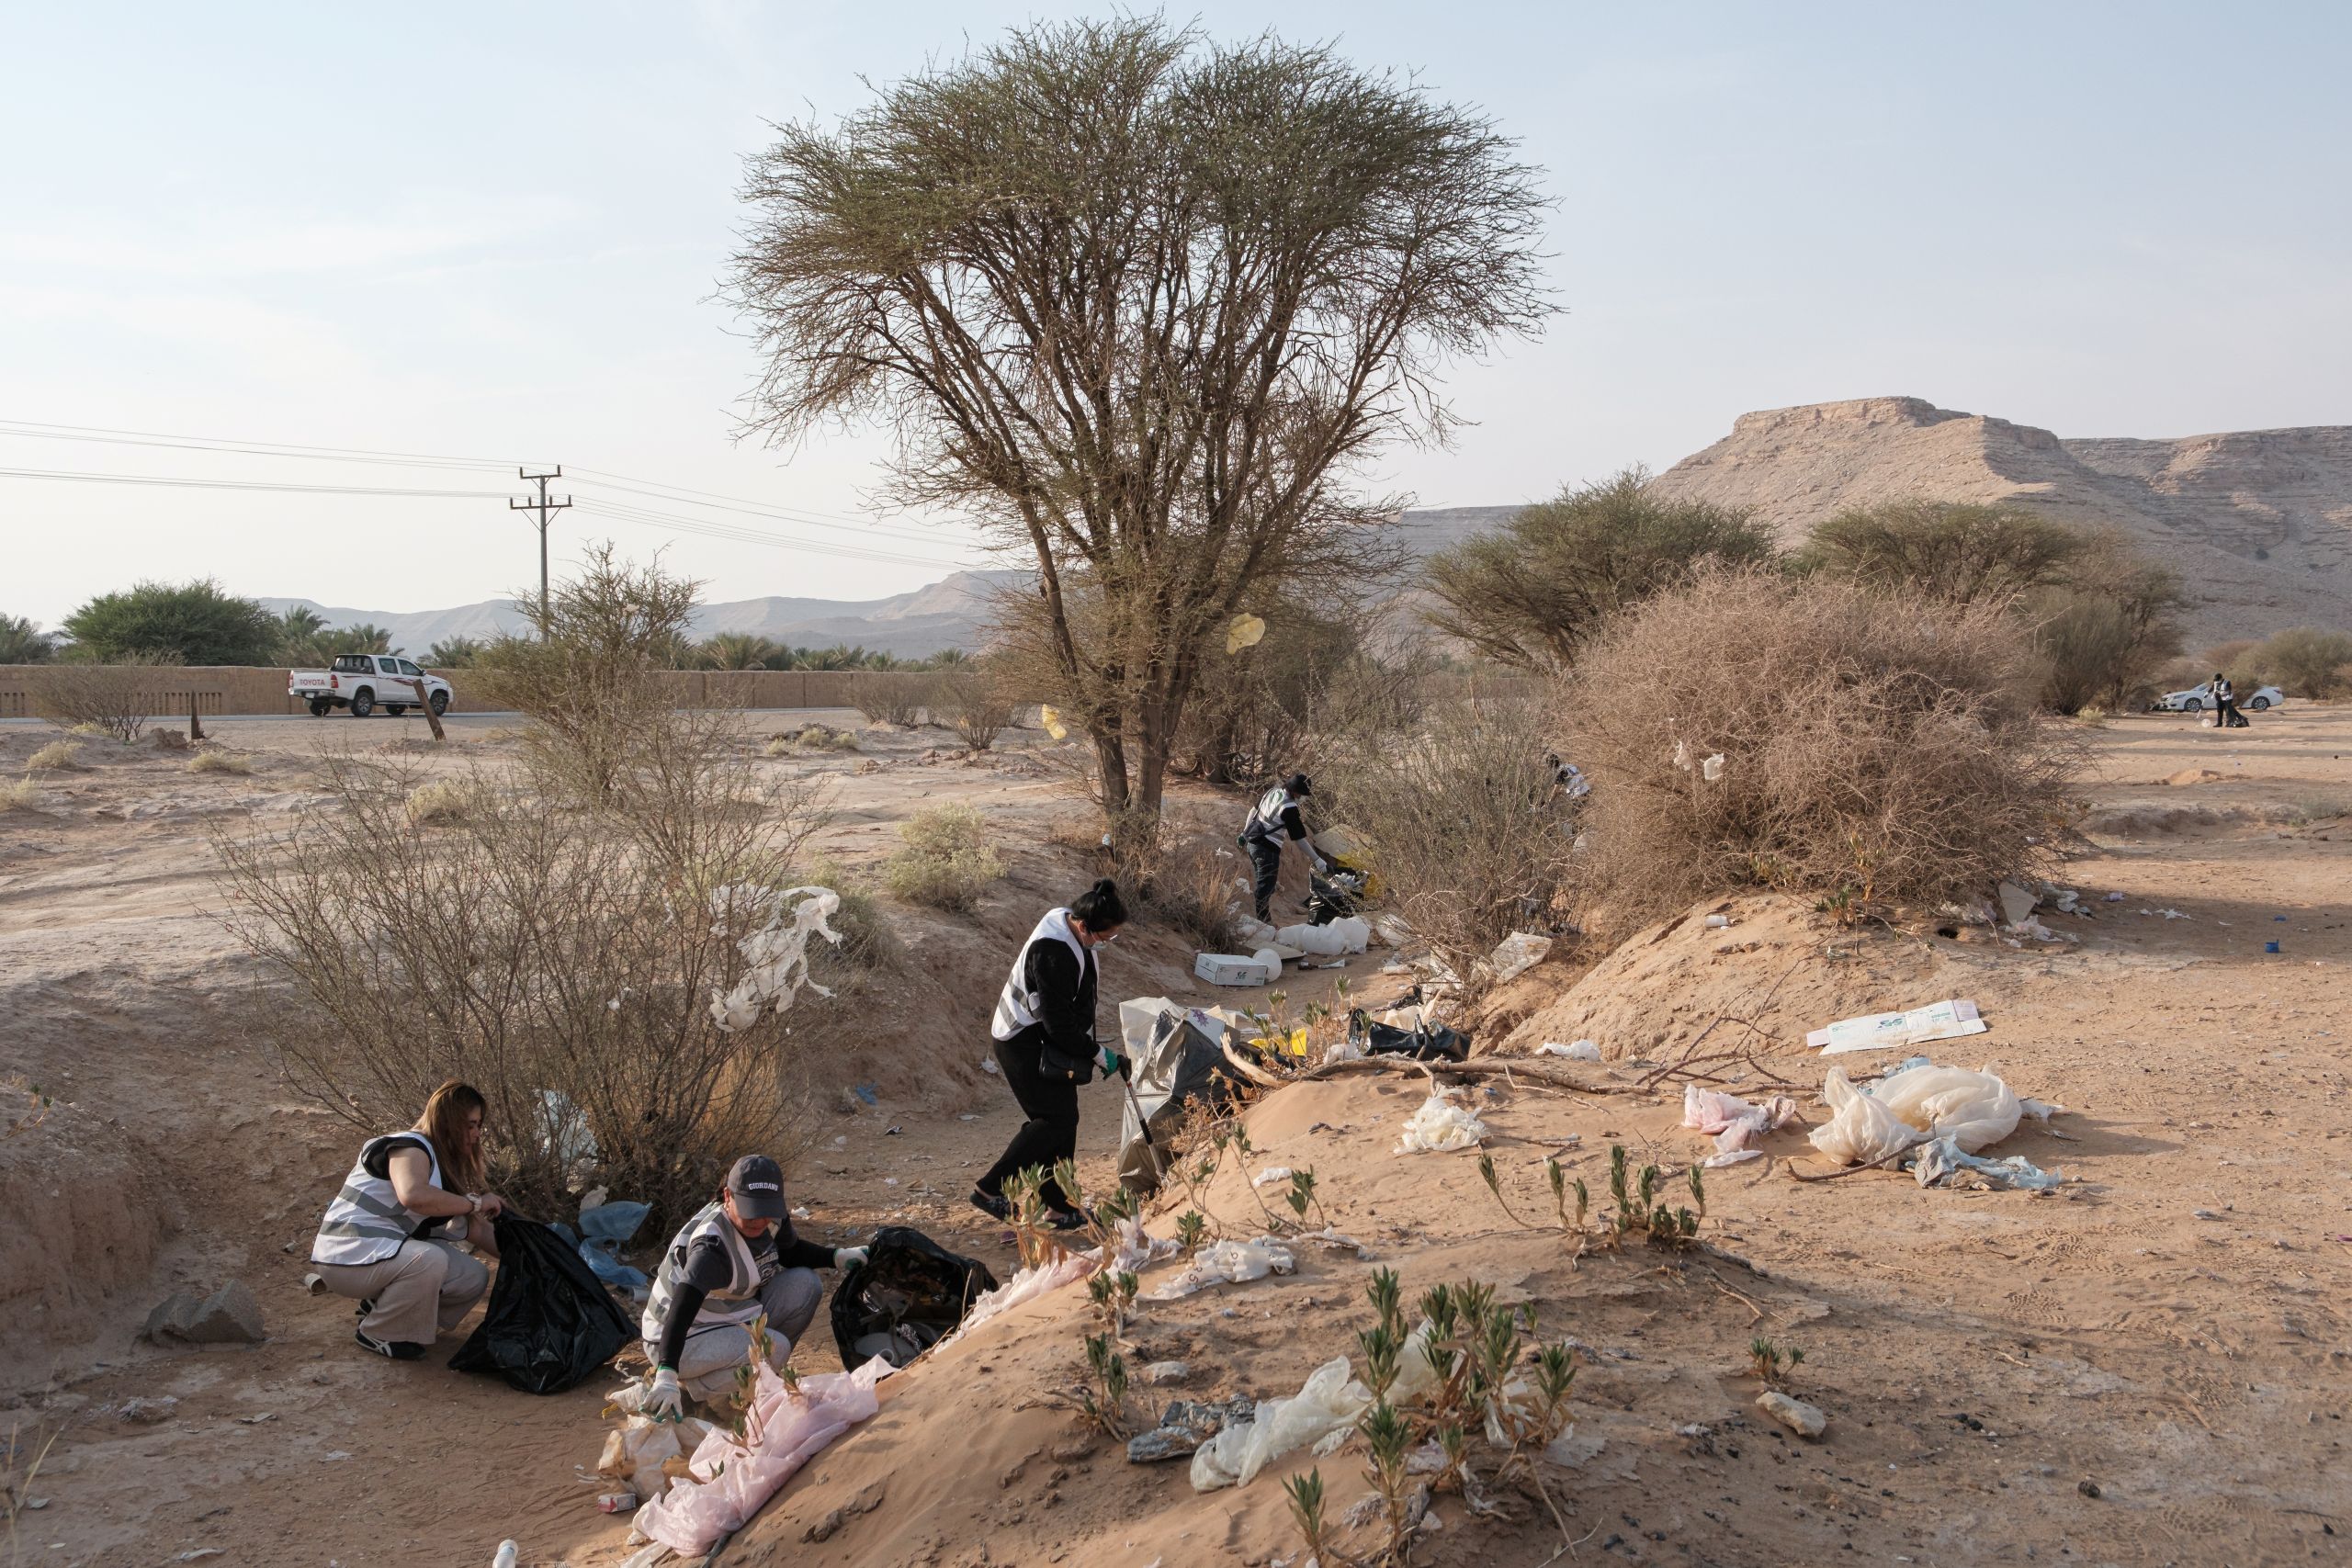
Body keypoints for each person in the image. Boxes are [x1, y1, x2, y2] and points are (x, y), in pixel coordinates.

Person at [639, 1155, 869, 1418]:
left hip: (729, 1313)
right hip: (680, 1334)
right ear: (728, 1196)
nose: (759, 1222)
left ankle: (757, 1380)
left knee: (806, 1285)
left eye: (765, 1211)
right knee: (775, 1347)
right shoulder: (711, 1249)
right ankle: (690, 1391)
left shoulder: (770, 1218)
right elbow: (681, 1309)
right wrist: (667, 1371)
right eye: (751, 1211)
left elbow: (789, 1252)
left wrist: (836, 1256)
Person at [309, 1080, 506, 1360]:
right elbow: (413, 1195)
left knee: (472, 1276)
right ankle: (378, 1331)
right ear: (449, 1120)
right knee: (429, 1259)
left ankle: (385, 1308)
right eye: (470, 1124)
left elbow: (477, 1229)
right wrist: (474, 1202)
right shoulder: (410, 1146)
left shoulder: (440, 1166)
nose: (476, 1134)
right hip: (345, 1258)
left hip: (377, 1257)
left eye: (479, 1125)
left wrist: (531, 1256)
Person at [971, 878, 1130, 1226]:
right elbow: (1058, 1026)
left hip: (1045, 1038)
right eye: (1105, 938)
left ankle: (1059, 1204)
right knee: (1052, 1120)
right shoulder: (1053, 953)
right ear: (1085, 926)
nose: (1106, 944)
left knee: (1064, 1120)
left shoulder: (1070, 924)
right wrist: (1099, 1055)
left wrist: (1091, 1049)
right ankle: (989, 1189)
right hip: (1020, 1040)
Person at [1238, 773, 1329, 924]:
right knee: (1264, 889)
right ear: (1295, 792)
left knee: (1266, 882)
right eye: (1302, 794)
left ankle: (1266, 909)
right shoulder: (1289, 807)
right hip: (1267, 849)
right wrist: (1318, 860)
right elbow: (1299, 839)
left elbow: (1253, 811)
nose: (1302, 798)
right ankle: (1264, 923)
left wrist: (1244, 832)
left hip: (1252, 844)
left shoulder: (1272, 791)